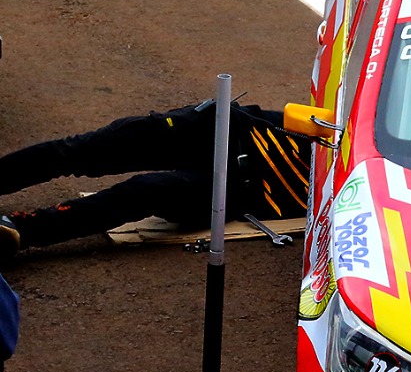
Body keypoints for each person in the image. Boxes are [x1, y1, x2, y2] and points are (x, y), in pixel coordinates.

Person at [0, 100, 310, 263]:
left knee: (146, 190)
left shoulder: (354, 189)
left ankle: (19, 230)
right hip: (222, 128)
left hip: (235, 189)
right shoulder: (350, 119)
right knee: (84, 150)